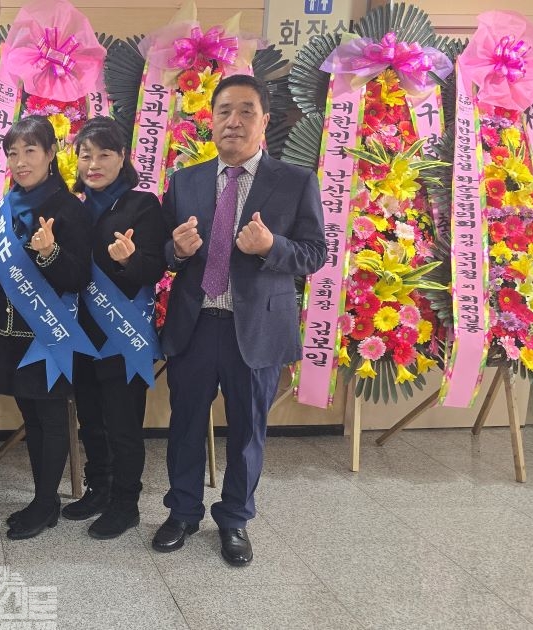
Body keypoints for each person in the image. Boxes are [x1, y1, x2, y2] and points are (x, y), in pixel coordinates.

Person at [154, 74, 326, 565]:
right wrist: (176, 251)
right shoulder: (185, 181)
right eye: (224, 111)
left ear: (264, 121)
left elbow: (315, 254)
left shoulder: (295, 181)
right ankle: (182, 512)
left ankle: (234, 519)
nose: (234, 121)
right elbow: (165, 252)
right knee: (185, 424)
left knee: (248, 431)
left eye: (246, 111)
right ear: (211, 120)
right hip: (195, 325)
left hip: (256, 331)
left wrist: (272, 246)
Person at [0, 116, 94, 540]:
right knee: (30, 416)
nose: (20, 161)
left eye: (30, 150)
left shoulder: (69, 209)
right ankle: (42, 499)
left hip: (49, 334)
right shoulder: (6, 205)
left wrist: (50, 253)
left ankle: (46, 502)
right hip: (10, 331)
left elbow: (78, 277)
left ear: (51, 153)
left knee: (50, 418)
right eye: (13, 153)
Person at [64, 117, 167, 539]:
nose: (94, 164)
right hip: (80, 333)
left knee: (123, 425)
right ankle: (99, 488)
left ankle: (126, 504)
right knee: (91, 420)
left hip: (123, 335)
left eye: (104, 154)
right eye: (85, 155)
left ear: (122, 157)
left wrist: (128, 260)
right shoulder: (72, 207)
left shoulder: (142, 205)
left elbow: (154, 269)